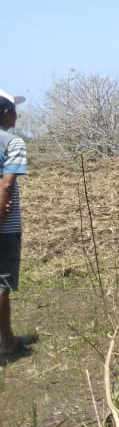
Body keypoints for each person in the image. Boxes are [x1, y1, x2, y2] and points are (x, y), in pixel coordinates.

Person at [0, 89, 29, 358]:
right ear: (7, 113)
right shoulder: (12, 142)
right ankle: (7, 342)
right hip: (4, 227)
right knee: (1, 284)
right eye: (13, 110)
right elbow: (7, 185)